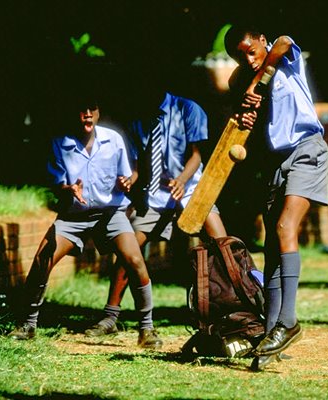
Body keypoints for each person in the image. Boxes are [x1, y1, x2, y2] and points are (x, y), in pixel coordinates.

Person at [8, 96, 162, 349]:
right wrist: (69, 189)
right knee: (42, 257)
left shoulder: (113, 140)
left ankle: (147, 329)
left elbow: (130, 172)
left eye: (92, 109)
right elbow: (57, 182)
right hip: (74, 216)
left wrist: (128, 182)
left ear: (99, 113)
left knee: (134, 259)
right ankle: (28, 323)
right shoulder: (61, 144)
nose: (87, 114)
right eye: (82, 110)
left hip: (110, 213)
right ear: (73, 114)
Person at [83, 87, 227, 343]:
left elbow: (196, 155)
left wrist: (182, 181)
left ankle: (233, 311)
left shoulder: (188, 109)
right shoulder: (139, 120)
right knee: (129, 250)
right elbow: (139, 166)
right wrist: (129, 180)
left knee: (223, 246)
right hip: (157, 196)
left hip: (192, 190)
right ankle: (110, 316)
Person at [224, 25, 328, 370]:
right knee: (273, 244)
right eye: (240, 56)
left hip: (306, 150)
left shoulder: (284, 62)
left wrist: (257, 81)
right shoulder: (247, 82)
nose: (249, 58)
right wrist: (248, 101)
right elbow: (232, 88)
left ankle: (288, 322)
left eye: (250, 49)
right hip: (276, 161)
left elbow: (285, 42)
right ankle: (271, 335)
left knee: (286, 226)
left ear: (261, 41)